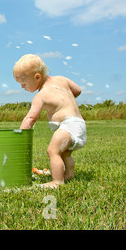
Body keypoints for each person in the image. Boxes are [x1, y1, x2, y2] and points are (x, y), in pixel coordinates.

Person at [13, 54, 87, 188]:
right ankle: (69, 176)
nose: (22, 87)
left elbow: (30, 118)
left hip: (68, 125)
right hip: (79, 124)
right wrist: (66, 98)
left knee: (52, 151)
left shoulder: (41, 96)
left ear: (37, 77)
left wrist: (20, 135)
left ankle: (57, 182)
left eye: (24, 83)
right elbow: (78, 90)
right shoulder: (61, 79)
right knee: (65, 153)